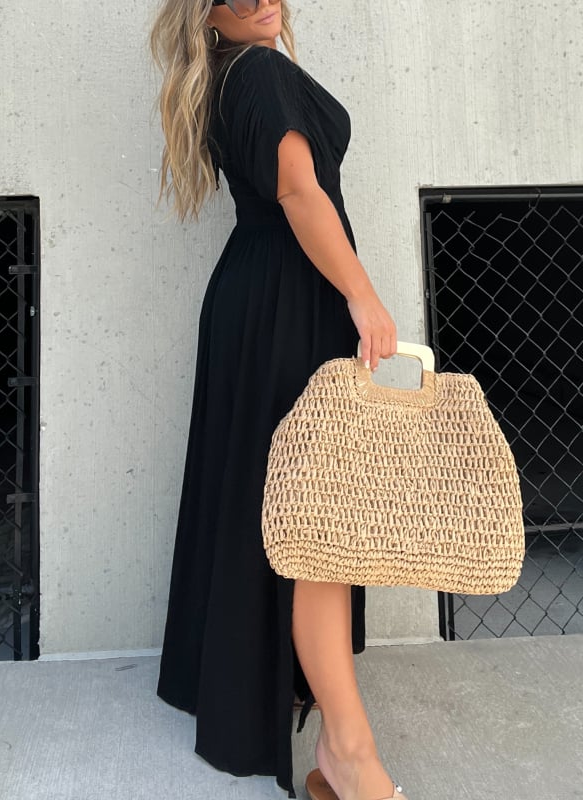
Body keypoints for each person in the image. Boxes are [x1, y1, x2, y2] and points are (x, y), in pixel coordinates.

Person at [149, 2, 404, 798]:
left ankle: (311, 714)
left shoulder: (236, 72)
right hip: (289, 303)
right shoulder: (257, 70)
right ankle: (348, 752)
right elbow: (298, 190)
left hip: (266, 300)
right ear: (208, 15)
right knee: (315, 523)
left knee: (294, 515)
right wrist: (363, 295)